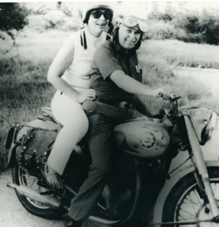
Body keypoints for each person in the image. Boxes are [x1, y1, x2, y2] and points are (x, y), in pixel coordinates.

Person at [64, 12, 170, 227]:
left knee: (137, 157)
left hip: (122, 116)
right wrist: (152, 92)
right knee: (101, 167)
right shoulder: (106, 51)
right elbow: (120, 80)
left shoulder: (131, 55)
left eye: (137, 34)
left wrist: (150, 114)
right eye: (129, 31)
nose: (132, 36)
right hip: (100, 115)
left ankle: (122, 208)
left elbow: (130, 93)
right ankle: (75, 217)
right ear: (117, 30)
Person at [43, 4, 114, 189]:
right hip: (67, 96)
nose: (102, 18)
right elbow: (52, 76)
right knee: (79, 124)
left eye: (106, 14)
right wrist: (78, 95)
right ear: (86, 18)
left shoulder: (109, 40)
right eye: (96, 14)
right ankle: (52, 168)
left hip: (95, 99)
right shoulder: (74, 41)